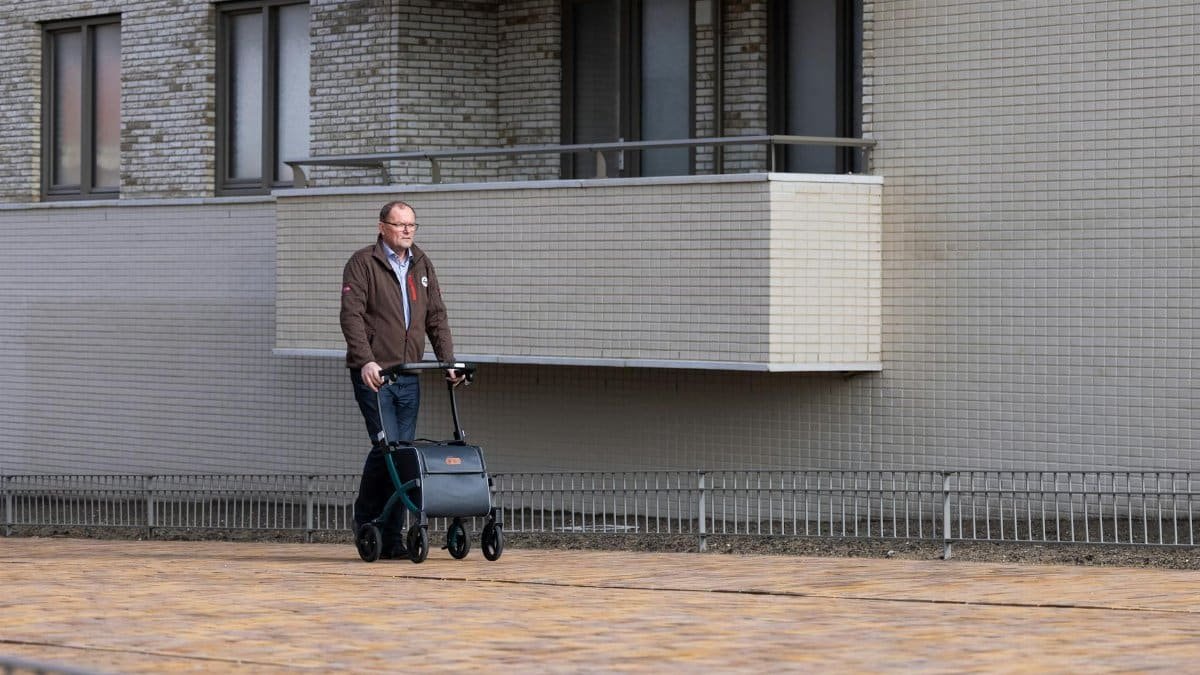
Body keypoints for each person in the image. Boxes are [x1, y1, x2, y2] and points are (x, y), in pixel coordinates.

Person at [340, 200, 462, 557]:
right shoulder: (363, 263)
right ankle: (369, 524)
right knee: (387, 446)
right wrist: (365, 361)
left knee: (399, 452)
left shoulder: (421, 264)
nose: (407, 231)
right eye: (399, 225)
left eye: (412, 225)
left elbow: (436, 316)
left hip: (409, 375)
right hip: (376, 375)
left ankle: (388, 537)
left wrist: (448, 361)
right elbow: (352, 317)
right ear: (382, 226)